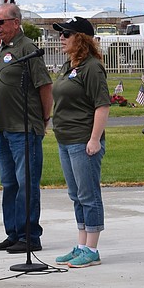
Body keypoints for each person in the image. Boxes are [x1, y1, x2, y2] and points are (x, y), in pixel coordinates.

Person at [0, 3, 53, 254]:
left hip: (24, 127)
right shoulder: (3, 49)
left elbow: (45, 86)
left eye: (0, 22)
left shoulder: (28, 49)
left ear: (16, 23)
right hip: (4, 126)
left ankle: (30, 235)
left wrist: (44, 118)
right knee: (9, 183)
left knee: (26, 182)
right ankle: (13, 233)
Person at [51, 17, 111, 268]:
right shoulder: (69, 66)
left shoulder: (92, 68)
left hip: (82, 140)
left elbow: (102, 105)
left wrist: (94, 139)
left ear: (81, 38)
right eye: (61, 34)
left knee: (88, 194)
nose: (61, 38)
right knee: (76, 194)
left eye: (67, 34)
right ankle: (81, 244)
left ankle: (92, 249)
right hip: (65, 139)